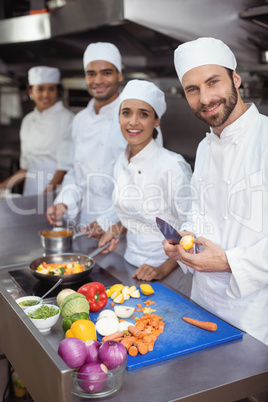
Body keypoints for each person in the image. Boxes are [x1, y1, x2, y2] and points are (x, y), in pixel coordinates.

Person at [163, 37, 268, 345]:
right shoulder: (205, 147)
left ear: (236, 79)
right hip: (202, 306)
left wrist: (226, 262)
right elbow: (200, 212)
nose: (205, 98)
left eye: (213, 82)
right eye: (192, 89)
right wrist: (186, 241)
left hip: (255, 317)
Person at [46, 42, 163, 236]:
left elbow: (149, 180)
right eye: (91, 73)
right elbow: (76, 170)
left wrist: (111, 221)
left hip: (126, 226)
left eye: (106, 72)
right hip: (85, 222)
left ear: (119, 75)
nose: (98, 80)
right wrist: (63, 202)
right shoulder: (79, 120)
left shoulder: (136, 118)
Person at [98, 79, 192, 281]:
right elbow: (138, 213)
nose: (133, 121)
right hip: (130, 264)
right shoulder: (120, 163)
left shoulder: (172, 166)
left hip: (169, 274)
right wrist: (117, 228)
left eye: (143, 114)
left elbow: (192, 230)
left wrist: (161, 270)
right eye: (126, 113)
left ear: (156, 121)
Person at [0, 66, 73, 195]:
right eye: (40, 89)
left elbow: (64, 168)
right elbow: (25, 168)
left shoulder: (67, 119)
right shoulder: (28, 121)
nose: (46, 94)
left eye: (51, 89)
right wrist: (2, 186)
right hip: (31, 191)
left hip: (56, 192)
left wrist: (44, 197)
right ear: (30, 92)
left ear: (57, 91)